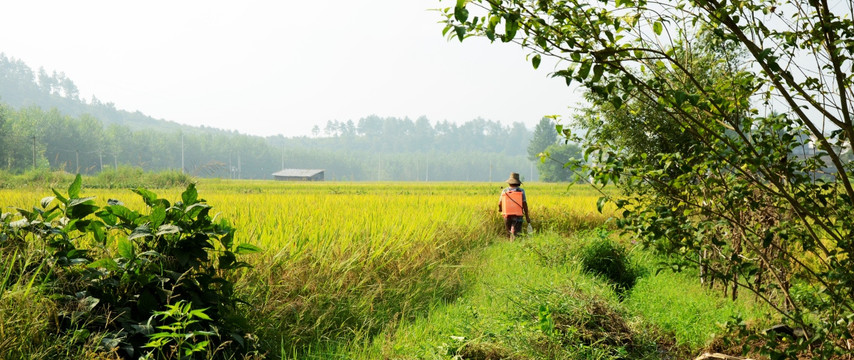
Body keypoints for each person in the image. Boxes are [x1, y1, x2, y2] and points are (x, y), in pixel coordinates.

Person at [498, 172, 530, 238]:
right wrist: (527, 216)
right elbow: (524, 204)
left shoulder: (504, 191)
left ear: (509, 182)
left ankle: (509, 245)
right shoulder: (521, 191)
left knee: (508, 232)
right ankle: (515, 244)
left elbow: (499, 203)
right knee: (517, 234)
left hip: (507, 215)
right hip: (518, 215)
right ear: (518, 183)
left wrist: (500, 209)